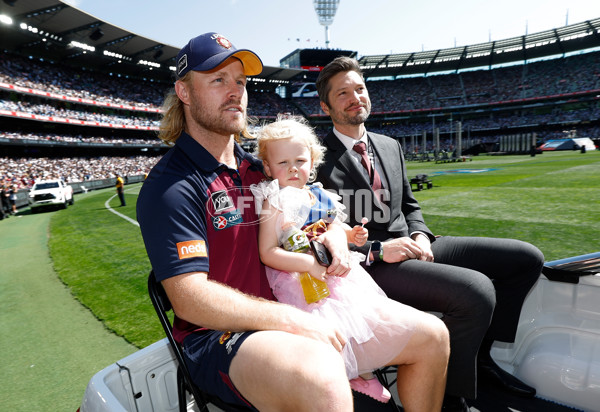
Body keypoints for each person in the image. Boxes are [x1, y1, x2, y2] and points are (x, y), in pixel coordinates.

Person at [137, 32, 357, 411]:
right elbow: (190, 300)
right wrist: (289, 319)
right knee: (320, 376)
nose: (235, 90)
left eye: (240, 81)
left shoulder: (263, 171)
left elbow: (321, 212)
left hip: (292, 308)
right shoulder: (169, 188)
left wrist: (336, 233)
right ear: (184, 93)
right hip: (217, 337)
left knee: (431, 336)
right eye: (218, 79)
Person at [314, 56, 545, 412]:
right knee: (477, 290)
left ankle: (480, 362)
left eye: (359, 89)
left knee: (526, 259)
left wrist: (421, 235)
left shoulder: (389, 145)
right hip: (371, 264)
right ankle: (451, 396)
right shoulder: (313, 158)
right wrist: (378, 248)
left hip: (414, 244)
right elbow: (314, 232)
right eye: (342, 93)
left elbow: (409, 204)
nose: (354, 97)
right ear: (325, 105)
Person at [251, 115, 450, 407]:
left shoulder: (318, 194)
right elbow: (267, 252)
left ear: (313, 160)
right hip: (300, 280)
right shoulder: (275, 201)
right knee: (330, 326)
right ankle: (354, 375)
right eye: (283, 163)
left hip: (336, 274)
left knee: (357, 320)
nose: (293, 169)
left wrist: (352, 234)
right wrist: (308, 264)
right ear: (268, 167)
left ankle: (363, 373)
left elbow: (334, 224)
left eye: (300, 160)